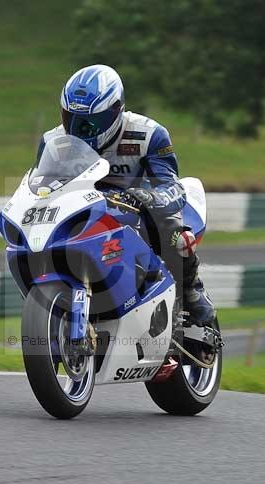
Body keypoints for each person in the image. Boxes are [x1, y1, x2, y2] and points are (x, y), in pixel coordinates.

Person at [35, 64, 215, 328]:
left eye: (89, 122)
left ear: (115, 110)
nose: (79, 129)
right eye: (70, 118)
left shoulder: (148, 134)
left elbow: (171, 185)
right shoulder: (53, 141)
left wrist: (153, 197)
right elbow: (42, 184)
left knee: (175, 232)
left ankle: (190, 290)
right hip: (83, 212)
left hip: (137, 212)